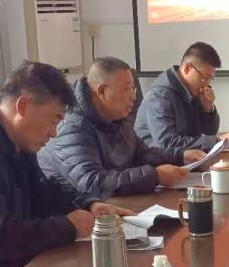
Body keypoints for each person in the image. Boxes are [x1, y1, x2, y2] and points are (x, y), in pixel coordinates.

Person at [0, 61, 131, 267]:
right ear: (23, 106)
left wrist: (89, 204)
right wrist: (68, 226)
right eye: (53, 121)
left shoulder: (15, 141)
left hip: (11, 264)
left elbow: (45, 189)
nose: (54, 133)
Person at [39, 57, 206, 199]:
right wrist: (155, 176)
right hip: (76, 210)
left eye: (133, 89)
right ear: (102, 91)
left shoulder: (118, 117)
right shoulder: (72, 126)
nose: (133, 97)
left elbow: (142, 154)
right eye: (127, 90)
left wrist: (181, 156)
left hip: (111, 204)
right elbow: (93, 182)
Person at [135, 42, 229, 152]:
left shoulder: (192, 90)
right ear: (187, 68)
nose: (206, 84)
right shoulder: (158, 97)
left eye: (210, 79)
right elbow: (167, 143)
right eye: (205, 78)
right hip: (156, 160)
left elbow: (208, 134)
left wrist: (207, 109)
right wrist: (217, 141)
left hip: (185, 158)